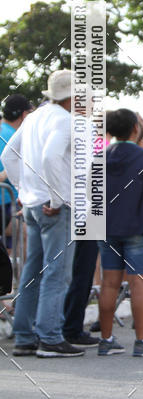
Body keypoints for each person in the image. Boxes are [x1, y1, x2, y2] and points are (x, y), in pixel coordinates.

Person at [2, 71, 83, 357]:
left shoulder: (34, 117)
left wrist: (24, 190)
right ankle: (50, 338)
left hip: (33, 203)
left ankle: (24, 336)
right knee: (56, 274)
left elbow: (8, 155)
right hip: (55, 206)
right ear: (72, 96)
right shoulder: (67, 120)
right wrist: (57, 198)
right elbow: (51, 157)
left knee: (31, 272)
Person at [97, 109, 143, 356]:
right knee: (139, 284)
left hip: (106, 228)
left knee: (109, 284)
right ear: (135, 129)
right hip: (138, 227)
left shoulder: (100, 157)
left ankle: (105, 339)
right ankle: (141, 340)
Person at [0, 94, 33, 251]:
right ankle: (30, 276)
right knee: (29, 238)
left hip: (9, 201)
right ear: (24, 115)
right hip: (7, 201)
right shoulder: (16, 136)